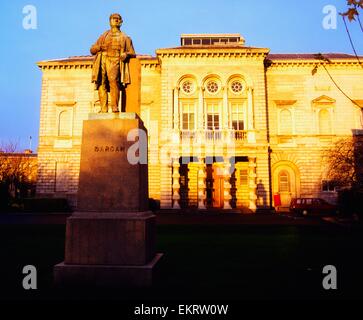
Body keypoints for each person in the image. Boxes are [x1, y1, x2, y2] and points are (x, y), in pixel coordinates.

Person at [90, 13, 135, 113]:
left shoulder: (125, 37)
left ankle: (114, 106)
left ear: (121, 22)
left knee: (113, 81)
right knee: (101, 84)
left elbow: (132, 52)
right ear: (110, 21)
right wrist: (99, 47)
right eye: (114, 19)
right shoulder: (104, 36)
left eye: (118, 19)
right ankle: (103, 108)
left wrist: (126, 55)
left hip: (115, 60)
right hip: (102, 60)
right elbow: (92, 50)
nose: (116, 20)